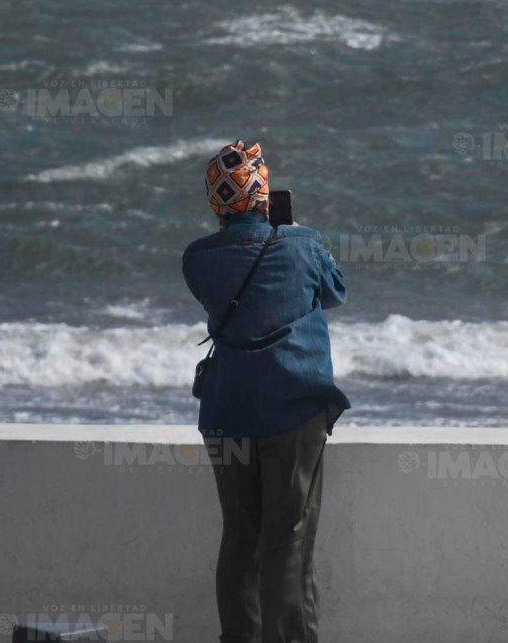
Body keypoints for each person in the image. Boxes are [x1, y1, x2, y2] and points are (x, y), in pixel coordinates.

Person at [182, 140, 350, 643]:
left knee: (239, 537)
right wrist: (295, 230)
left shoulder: (197, 259)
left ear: (217, 202)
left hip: (227, 412)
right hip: (294, 408)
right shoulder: (301, 243)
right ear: (263, 192)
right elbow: (336, 290)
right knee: (288, 539)